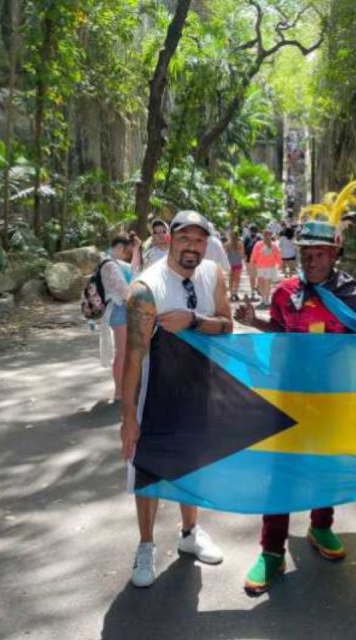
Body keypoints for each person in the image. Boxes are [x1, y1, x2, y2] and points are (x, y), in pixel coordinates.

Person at [234, 199, 356, 595]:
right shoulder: (285, 292)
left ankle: (321, 526)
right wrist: (252, 321)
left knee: (325, 465)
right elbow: (278, 332)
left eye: (319, 254)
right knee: (280, 472)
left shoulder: (351, 296)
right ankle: (272, 551)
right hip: (287, 398)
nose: (311, 261)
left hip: (331, 401)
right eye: (306, 254)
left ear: (333, 255)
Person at [120, 209, 233, 588]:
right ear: (170, 238)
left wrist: (194, 321)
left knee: (192, 463)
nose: (193, 246)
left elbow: (227, 324)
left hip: (198, 388)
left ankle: (189, 533)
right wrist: (128, 418)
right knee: (148, 468)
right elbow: (133, 357)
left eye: (200, 240)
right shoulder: (145, 288)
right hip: (155, 393)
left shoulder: (212, 274)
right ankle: (146, 544)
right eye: (185, 238)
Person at [99, 234, 135, 401]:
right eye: (125, 251)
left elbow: (133, 267)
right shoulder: (111, 266)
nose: (125, 255)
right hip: (118, 310)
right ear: (119, 247)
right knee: (122, 353)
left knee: (123, 351)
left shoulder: (106, 260)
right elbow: (123, 290)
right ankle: (119, 391)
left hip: (116, 310)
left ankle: (121, 389)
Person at [249, 228, 282, 309]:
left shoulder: (259, 244)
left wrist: (251, 263)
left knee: (261, 284)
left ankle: (264, 300)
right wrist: (280, 264)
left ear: (263, 235)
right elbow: (278, 256)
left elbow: (254, 255)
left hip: (261, 267)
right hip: (270, 267)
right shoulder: (274, 245)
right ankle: (266, 301)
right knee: (267, 285)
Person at [225, 229, 244, 301]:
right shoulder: (240, 243)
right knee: (237, 279)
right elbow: (242, 254)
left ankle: (231, 294)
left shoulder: (227, 244)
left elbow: (224, 254)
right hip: (238, 263)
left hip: (230, 263)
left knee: (231, 279)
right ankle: (235, 292)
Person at [243, 224, 260, 298]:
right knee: (253, 276)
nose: (253, 232)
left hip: (255, 260)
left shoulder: (257, 238)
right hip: (252, 260)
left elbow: (244, 249)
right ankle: (253, 290)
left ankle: (255, 289)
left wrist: (244, 259)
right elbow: (244, 249)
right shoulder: (247, 238)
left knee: (254, 277)